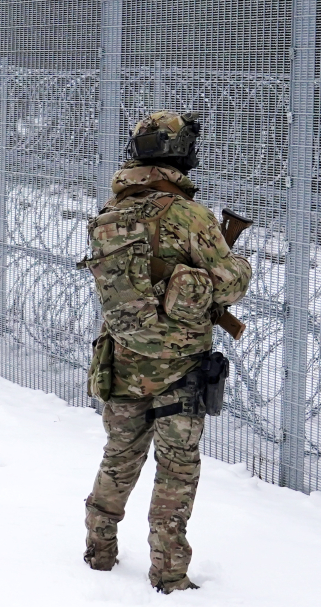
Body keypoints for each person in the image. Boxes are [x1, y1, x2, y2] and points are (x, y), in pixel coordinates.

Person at [77, 111, 252, 593]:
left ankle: (99, 547)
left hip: (122, 362)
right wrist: (237, 261)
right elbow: (229, 285)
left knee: (119, 457)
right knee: (176, 469)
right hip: (181, 367)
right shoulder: (191, 216)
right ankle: (169, 573)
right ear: (182, 154)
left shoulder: (111, 213)